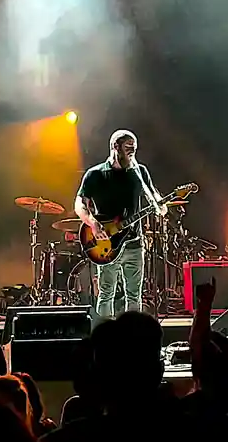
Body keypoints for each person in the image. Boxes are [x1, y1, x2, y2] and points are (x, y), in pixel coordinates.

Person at [74, 129, 166, 318]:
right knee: (107, 293)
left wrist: (161, 204)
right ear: (115, 147)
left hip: (134, 243)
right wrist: (93, 223)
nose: (132, 152)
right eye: (128, 148)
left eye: (135, 148)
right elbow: (79, 204)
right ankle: (104, 337)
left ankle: (133, 337)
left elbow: (153, 194)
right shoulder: (96, 174)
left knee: (134, 295)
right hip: (107, 243)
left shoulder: (139, 172)